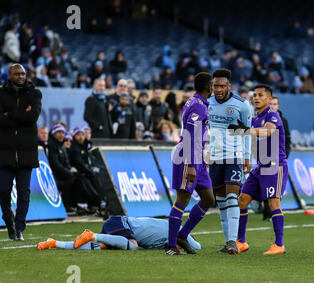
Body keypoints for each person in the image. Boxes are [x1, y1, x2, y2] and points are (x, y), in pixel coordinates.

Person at [228, 84, 289, 255]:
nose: (256, 97)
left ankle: (279, 245)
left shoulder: (273, 116)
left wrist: (244, 130)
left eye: (260, 95)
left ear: (269, 99)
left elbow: (268, 132)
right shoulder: (255, 119)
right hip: (260, 167)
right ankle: (241, 242)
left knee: (273, 202)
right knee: (242, 200)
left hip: (275, 166)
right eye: (254, 95)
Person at [166, 72, 215, 255]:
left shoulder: (196, 103)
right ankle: (170, 246)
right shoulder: (198, 106)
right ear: (208, 87)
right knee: (182, 200)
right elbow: (190, 135)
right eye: (213, 85)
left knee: (208, 198)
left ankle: (182, 235)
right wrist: (193, 165)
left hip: (197, 158)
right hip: (188, 157)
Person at [206, 68, 252, 254]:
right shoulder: (206, 103)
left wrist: (247, 156)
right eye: (215, 85)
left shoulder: (242, 105)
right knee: (222, 201)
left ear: (229, 86)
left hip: (234, 156)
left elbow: (247, 132)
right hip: (215, 157)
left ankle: (234, 242)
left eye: (222, 86)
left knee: (233, 197)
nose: (218, 89)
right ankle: (228, 242)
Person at [0, 63, 42, 241]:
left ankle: (19, 227)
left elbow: (33, 117)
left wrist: (10, 115)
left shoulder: (35, 93)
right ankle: (8, 220)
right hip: (5, 152)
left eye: (23, 74)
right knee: (2, 191)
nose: (21, 77)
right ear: (9, 75)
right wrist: (21, 116)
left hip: (26, 153)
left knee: (24, 193)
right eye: (17, 74)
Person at [37, 215, 201, 251]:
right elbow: (196, 247)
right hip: (121, 222)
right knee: (132, 246)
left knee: (102, 247)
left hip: (119, 227)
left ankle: (53, 243)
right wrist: (190, 244)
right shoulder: (175, 230)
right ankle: (92, 235)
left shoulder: (163, 244)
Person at [47, 124, 77, 212]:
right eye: (59, 132)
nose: (61, 134)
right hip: (55, 174)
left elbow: (66, 162)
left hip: (62, 173)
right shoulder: (52, 145)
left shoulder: (61, 145)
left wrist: (70, 170)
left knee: (78, 178)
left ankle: (73, 204)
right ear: (54, 134)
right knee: (69, 178)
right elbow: (55, 164)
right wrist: (68, 172)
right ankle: (66, 205)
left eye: (62, 132)